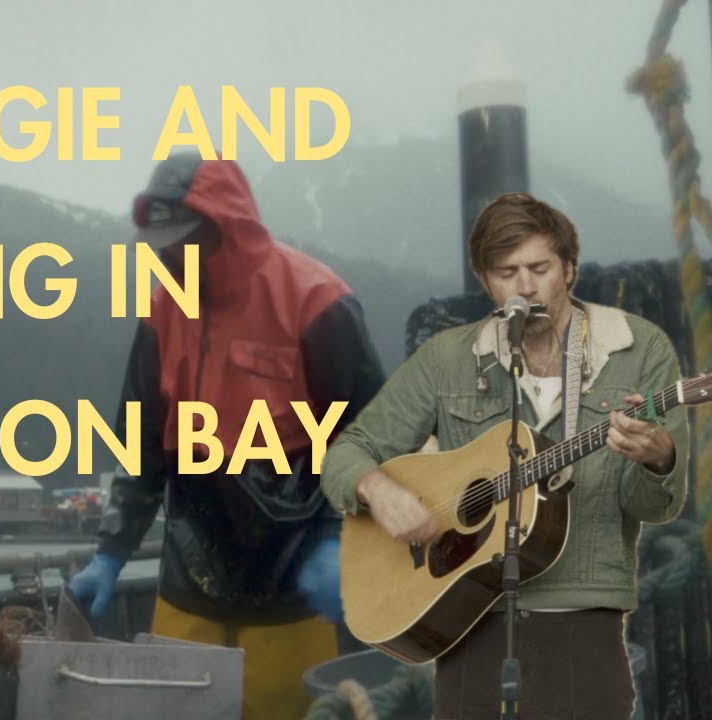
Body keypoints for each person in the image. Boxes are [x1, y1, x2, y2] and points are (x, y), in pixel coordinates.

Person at [320, 192, 687, 720]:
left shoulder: (638, 348)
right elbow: (347, 454)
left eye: (540, 268)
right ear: (486, 281)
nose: (526, 286)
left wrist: (657, 457)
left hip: (583, 620)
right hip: (468, 621)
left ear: (570, 269)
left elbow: (654, 507)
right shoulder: (447, 358)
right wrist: (378, 491)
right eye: (506, 272)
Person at [68, 152, 385, 719]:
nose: (172, 253)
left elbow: (378, 429)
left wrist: (346, 537)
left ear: (228, 230)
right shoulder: (160, 314)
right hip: (188, 586)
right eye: (163, 242)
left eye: (185, 240)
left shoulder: (317, 301)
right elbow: (141, 447)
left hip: (296, 591)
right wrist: (111, 551)